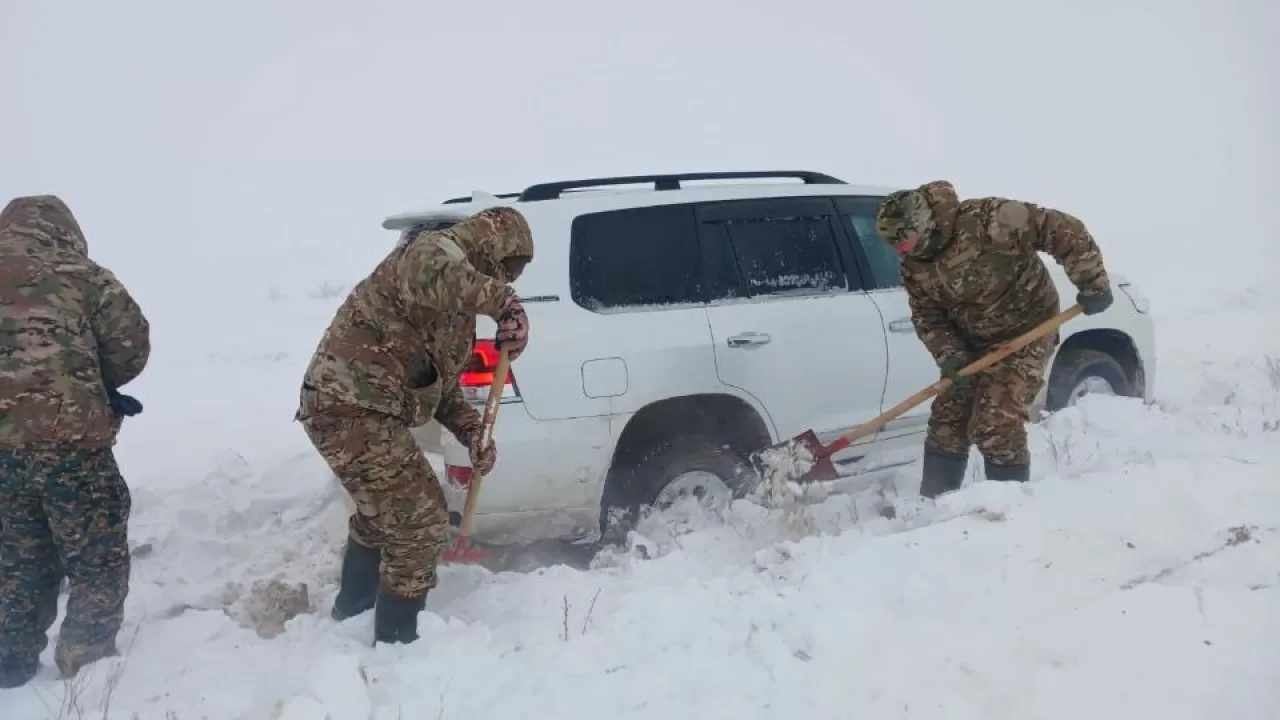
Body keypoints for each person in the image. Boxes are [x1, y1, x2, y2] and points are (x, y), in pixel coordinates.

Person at [296, 205, 533, 645]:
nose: (506, 282)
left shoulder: (456, 321)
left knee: (381, 516)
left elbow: (441, 391)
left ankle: (351, 617)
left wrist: (472, 433)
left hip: (365, 410)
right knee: (420, 521)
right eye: (506, 270)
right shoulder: (429, 254)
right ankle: (395, 648)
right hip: (348, 402)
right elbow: (431, 270)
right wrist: (505, 305)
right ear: (491, 247)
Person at [875, 180, 1112, 498]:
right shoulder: (914, 264)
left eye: (907, 244)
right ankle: (934, 507)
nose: (903, 254)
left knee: (995, 423)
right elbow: (927, 315)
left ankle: (1008, 509)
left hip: (1028, 331)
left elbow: (1059, 228)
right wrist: (950, 355)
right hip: (972, 343)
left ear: (926, 225)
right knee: (947, 422)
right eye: (898, 249)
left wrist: (1092, 280)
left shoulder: (988, 220)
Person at [0, 195, 151, 687]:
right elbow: (131, 346)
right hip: (73, 447)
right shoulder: (82, 274)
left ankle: (10, 661)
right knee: (96, 557)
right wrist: (89, 378)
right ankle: (83, 666)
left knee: (16, 558)